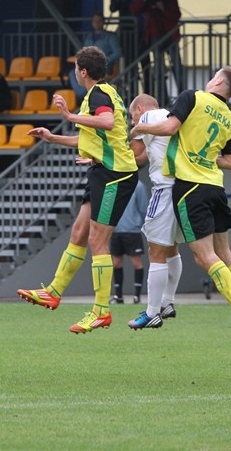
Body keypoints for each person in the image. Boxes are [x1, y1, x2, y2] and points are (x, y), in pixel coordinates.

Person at [129, 66, 231, 344]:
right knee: (225, 253)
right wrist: (206, 157)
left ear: (219, 81)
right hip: (216, 186)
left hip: (190, 187)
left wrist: (139, 127)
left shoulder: (194, 97)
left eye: (214, 75)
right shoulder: (230, 119)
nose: (210, 78)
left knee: (203, 256)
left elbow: (169, 127)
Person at [18, 46, 139, 334]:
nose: (74, 72)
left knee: (98, 240)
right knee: (79, 233)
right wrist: (52, 137)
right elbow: (92, 134)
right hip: (101, 170)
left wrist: (70, 115)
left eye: (75, 68)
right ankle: (54, 291)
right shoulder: (101, 94)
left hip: (115, 175)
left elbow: (107, 122)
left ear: (82, 72)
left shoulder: (97, 95)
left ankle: (101, 311)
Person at [125, 93, 186, 330]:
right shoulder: (171, 119)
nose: (133, 123)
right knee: (171, 247)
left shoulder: (147, 118)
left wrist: (104, 153)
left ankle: (152, 312)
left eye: (132, 117)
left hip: (164, 188)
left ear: (140, 109)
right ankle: (168, 302)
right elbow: (141, 157)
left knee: (155, 249)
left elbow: (132, 154)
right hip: (183, 187)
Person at [109, 178, 148, 305]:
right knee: (116, 263)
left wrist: (141, 225)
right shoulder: (114, 183)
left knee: (136, 262)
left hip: (132, 231)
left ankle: (137, 296)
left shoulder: (139, 186)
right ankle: (118, 296)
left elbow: (143, 208)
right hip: (116, 230)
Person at [69, 13, 122, 102]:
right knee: (72, 73)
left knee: (87, 74)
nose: (97, 23)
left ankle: (85, 94)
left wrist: (104, 60)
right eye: (94, 21)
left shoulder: (110, 36)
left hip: (103, 67)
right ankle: (82, 94)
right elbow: (84, 50)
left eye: (99, 21)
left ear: (103, 22)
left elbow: (118, 53)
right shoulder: (89, 36)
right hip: (88, 65)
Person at [109, 0, 146, 68]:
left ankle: (146, 82)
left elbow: (142, 6)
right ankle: (131, 80)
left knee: (144, 59)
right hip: (125, 30)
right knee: (128, 60)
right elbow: (112, 8)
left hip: (139, 29)